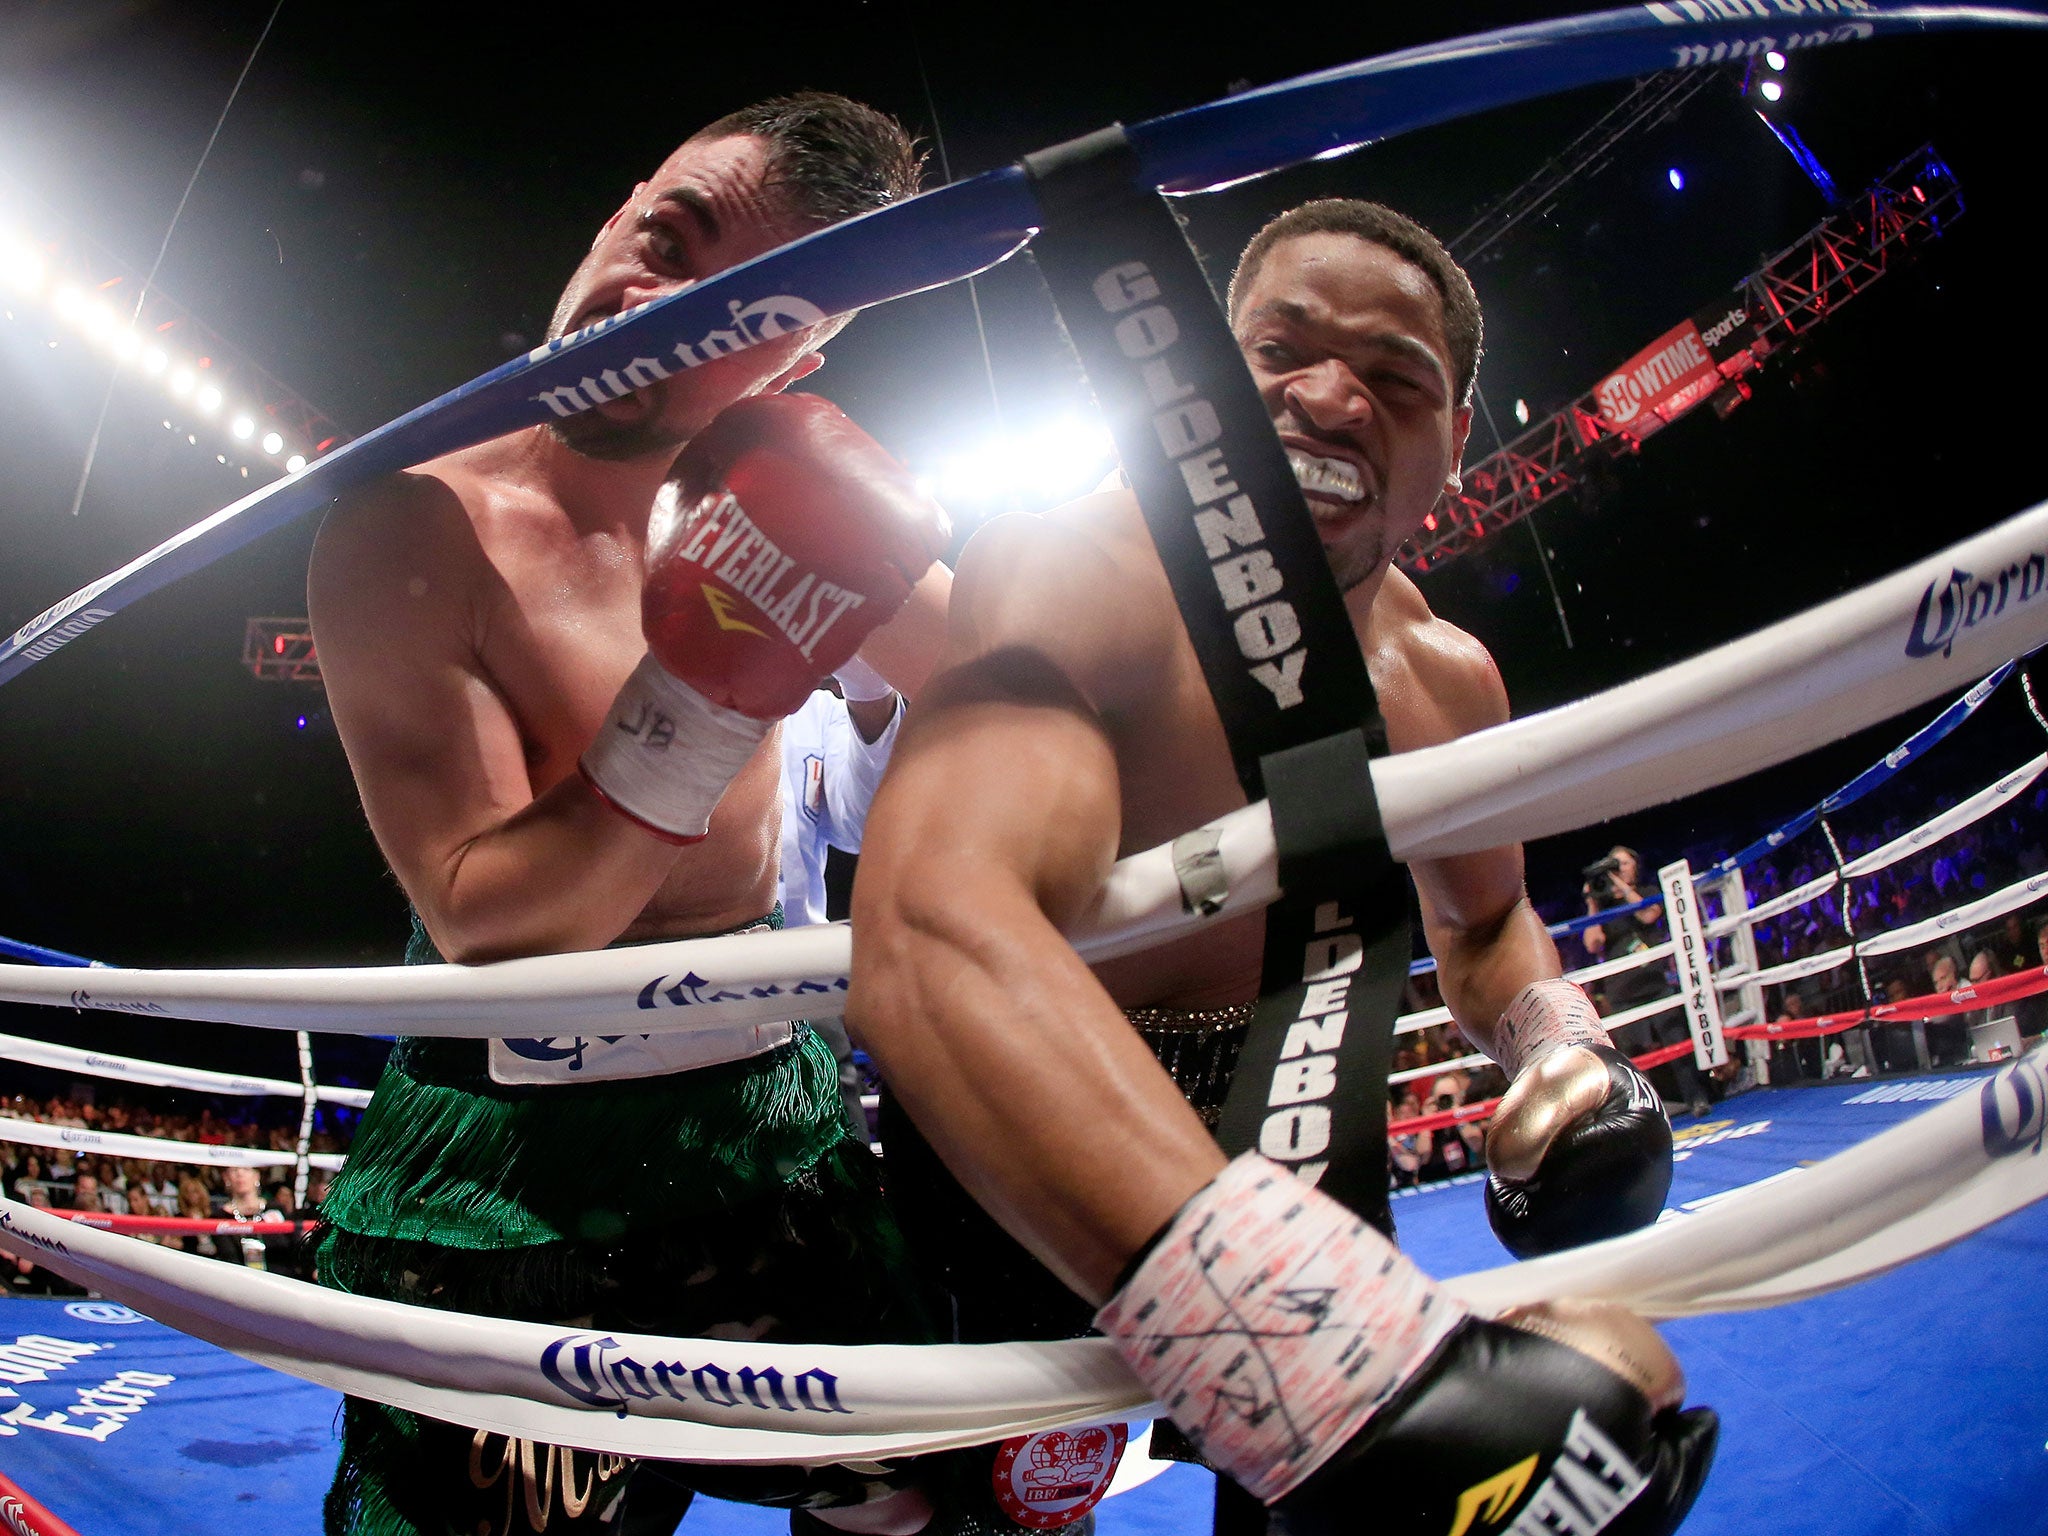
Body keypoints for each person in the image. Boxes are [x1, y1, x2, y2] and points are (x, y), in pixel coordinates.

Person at [849, 200, 1711, 1532]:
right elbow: (929, 924)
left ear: (1451, 439)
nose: (1329, 396)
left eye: (1394, 377)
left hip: (1297, 1101)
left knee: (1479, 1448)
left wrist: (1560, 1042)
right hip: (1037, 1102)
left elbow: (1485, 927)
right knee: (961, 1520)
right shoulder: (1079, 573)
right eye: (1281, 347)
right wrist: (1307, 1355)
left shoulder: (1445, 682)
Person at [306, 95, 954, 1536]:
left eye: (744, 304)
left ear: (804, 356)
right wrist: (712, 684)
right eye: (667, 237)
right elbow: (484, 912)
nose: (663, 304)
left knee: (929, 1512)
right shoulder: (418, 527)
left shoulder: (795, 492)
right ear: (618, 211)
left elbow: (1019, 703)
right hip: (512, 1166)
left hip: (764, 1132)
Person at [779, 658, 904, 1137]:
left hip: (807, 994)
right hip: (667, 985)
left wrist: (870, 691)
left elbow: (864, 830)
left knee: (843, 1174)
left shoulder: (816, 711)